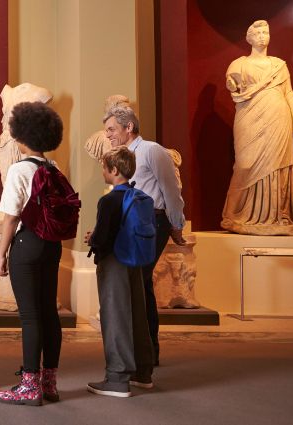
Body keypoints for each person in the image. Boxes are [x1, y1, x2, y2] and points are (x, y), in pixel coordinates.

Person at [103, 105, 186, 366]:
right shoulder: (121, 155)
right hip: (131, 225)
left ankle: (142, 354)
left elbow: (171, 190)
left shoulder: (152, 150)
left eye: (111, 129)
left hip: (153, 223)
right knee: (142, 286)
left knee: (137, 284)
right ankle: (147, 351)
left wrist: (176, 224)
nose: (108, 135)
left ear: (129, 127)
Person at [0, 102, 65, 406]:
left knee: (30, 316)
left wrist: (1, 253)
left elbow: (10, 216)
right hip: (52, 244)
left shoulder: (19, 169)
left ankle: (28, 386)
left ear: (22, 136)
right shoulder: (54, 168)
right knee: (49, 312)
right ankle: (48, 383)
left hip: (27, 244)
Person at [222, 20, 293, 236]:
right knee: (245, 164)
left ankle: (277, 216)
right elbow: (232, 84)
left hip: (278, 118)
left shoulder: (279, 65)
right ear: (249, 38)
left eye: (265, 32)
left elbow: (288, 93)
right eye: (257, 32)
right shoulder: (239, 63)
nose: (262, 35)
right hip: (249, 117)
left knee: (277, 166)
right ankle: (234, 215)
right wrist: (232, 84)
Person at [84, 147, 154, 398]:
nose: (102, 171)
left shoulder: (109, 200)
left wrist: (92, 238)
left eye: (104, 167)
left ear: (114, 170)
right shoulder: (140, 196)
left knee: (115, 318)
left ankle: (117, 377)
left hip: (114, 262)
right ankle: (142, 373)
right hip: (134, 260)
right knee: (137, 314)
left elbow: (102, 238)